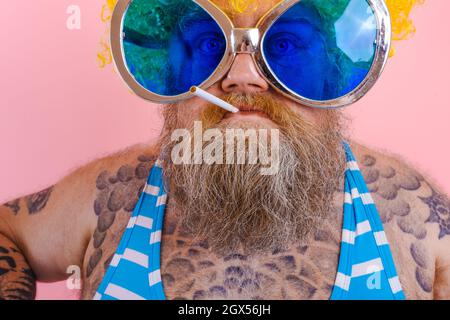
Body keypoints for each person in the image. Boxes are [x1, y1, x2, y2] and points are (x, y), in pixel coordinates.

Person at [1, 0, 449, 300]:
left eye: (284, 42)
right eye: (212, 43)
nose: (242, 77)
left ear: (334, 66)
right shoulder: (104, 200)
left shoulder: (414, 221)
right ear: (169, 69)